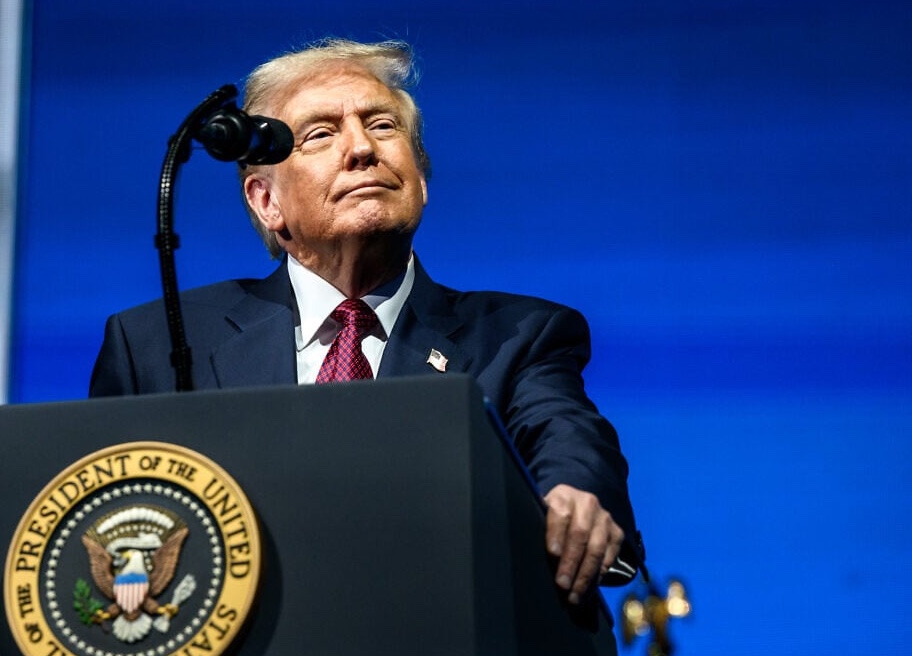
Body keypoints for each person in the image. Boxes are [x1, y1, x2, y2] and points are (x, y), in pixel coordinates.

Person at [90, 38, 642, 603]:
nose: (361, 148)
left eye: (382, 126)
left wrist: (574, 492)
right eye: (320, 134)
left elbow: (564, 433)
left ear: (420, 180)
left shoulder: (518, 336)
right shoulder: (157, 345)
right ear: (266, 201)